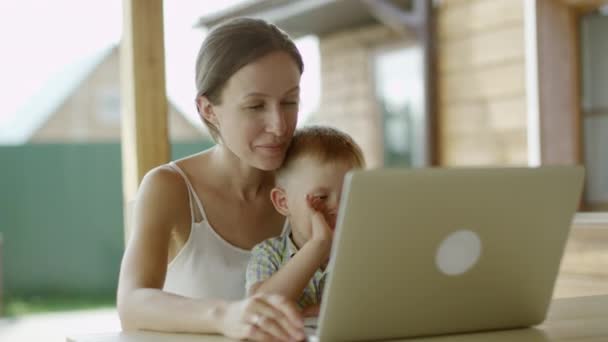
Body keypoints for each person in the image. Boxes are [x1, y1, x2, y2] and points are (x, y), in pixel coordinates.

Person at [116, 17, 308, 342]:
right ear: (208, 109)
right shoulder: (169, 188)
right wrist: (226, 315)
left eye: (289, 102)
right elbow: (131, 304)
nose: (279, 125)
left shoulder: (307, 180)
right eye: (255, 105)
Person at [245, 126, 365, 316]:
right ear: (283, 202)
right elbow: (259, 310)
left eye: (349, 195)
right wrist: (319, 244)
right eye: (321, 198)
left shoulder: (363, 253)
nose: (338, 208)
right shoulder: (269, 254)